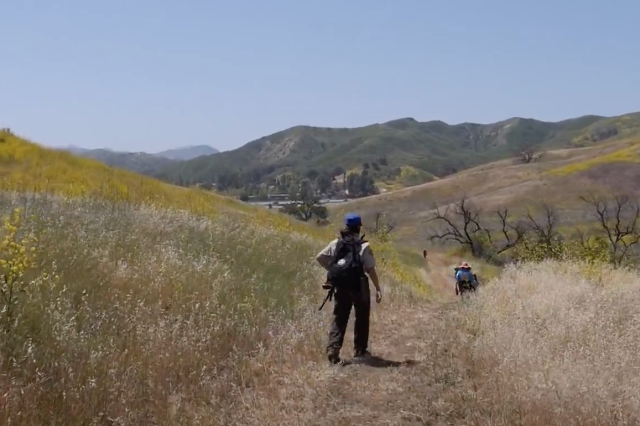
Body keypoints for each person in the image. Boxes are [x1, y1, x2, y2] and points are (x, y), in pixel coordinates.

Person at [316, 213, 382, 364]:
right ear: (359, 228)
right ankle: (360, 350)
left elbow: (320, 257)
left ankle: (333, 348)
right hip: (359, 284)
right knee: (362, 317)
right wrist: (378, 288)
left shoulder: (336, 243)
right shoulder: (364, 245)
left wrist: (333, 269)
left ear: (346, 227)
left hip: (340, 285)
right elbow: (370, 269)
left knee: (339, 317)